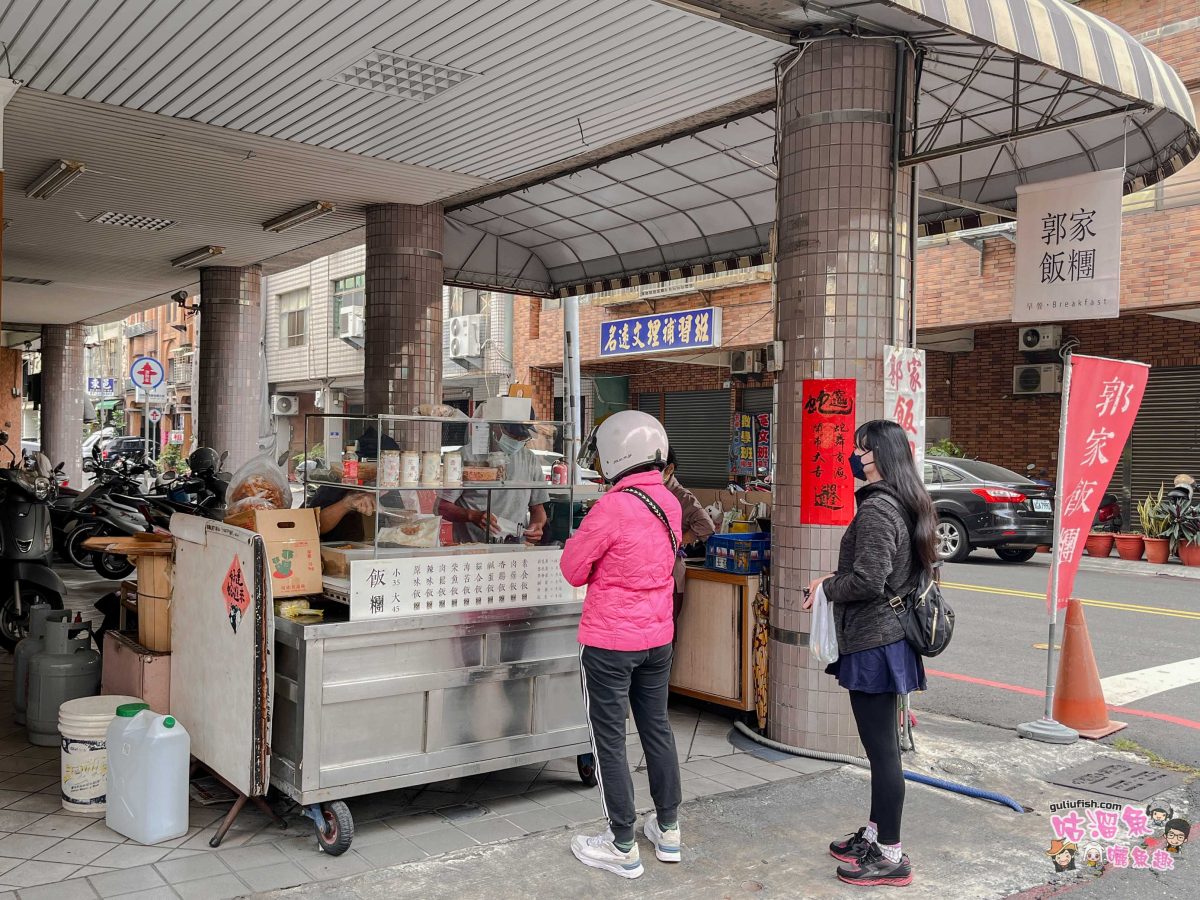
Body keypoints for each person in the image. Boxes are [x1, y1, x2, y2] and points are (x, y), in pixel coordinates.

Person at [803, 419, 936, 888]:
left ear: (878, 455)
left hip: (878, 644)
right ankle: (877, 834)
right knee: (879, 749)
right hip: (885, 642)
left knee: (882, 753)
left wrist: (825, 586)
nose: (854, 456)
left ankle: (891, 855)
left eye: (860, 448)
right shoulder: (903, 502)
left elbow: (868, 581)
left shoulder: (880, 510)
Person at [561, 410, 683, 879]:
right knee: (657, 729)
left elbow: (573, 569)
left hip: (611, 642)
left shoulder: (611, 507)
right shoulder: (668, 502)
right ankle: (668, 831)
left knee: (610, 739)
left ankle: (622, 843)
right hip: (658, 636)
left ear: (616, 454)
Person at [438, 421, 548, 544]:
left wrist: (537, 525)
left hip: (516, 549)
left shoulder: (529, 459)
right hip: (473, 548)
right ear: (497, 427)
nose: (517, 440)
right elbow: (443, 507)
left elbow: (538, 508)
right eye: (513, 435)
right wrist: (473, 516)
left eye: (522, 438)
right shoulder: (466, 456)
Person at [308, 426, 396, 540]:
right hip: (336, 549)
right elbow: (312, 526)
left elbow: (400, 520)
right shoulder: (336, 486)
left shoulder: (390, 488)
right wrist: (346, 504)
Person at [662, 448, 716, 622]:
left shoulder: (682, 497)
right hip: (648, 577)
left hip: (670, 579)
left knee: (665, 638)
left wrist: (675, 541)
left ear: (669, 469)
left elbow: (706, 526)